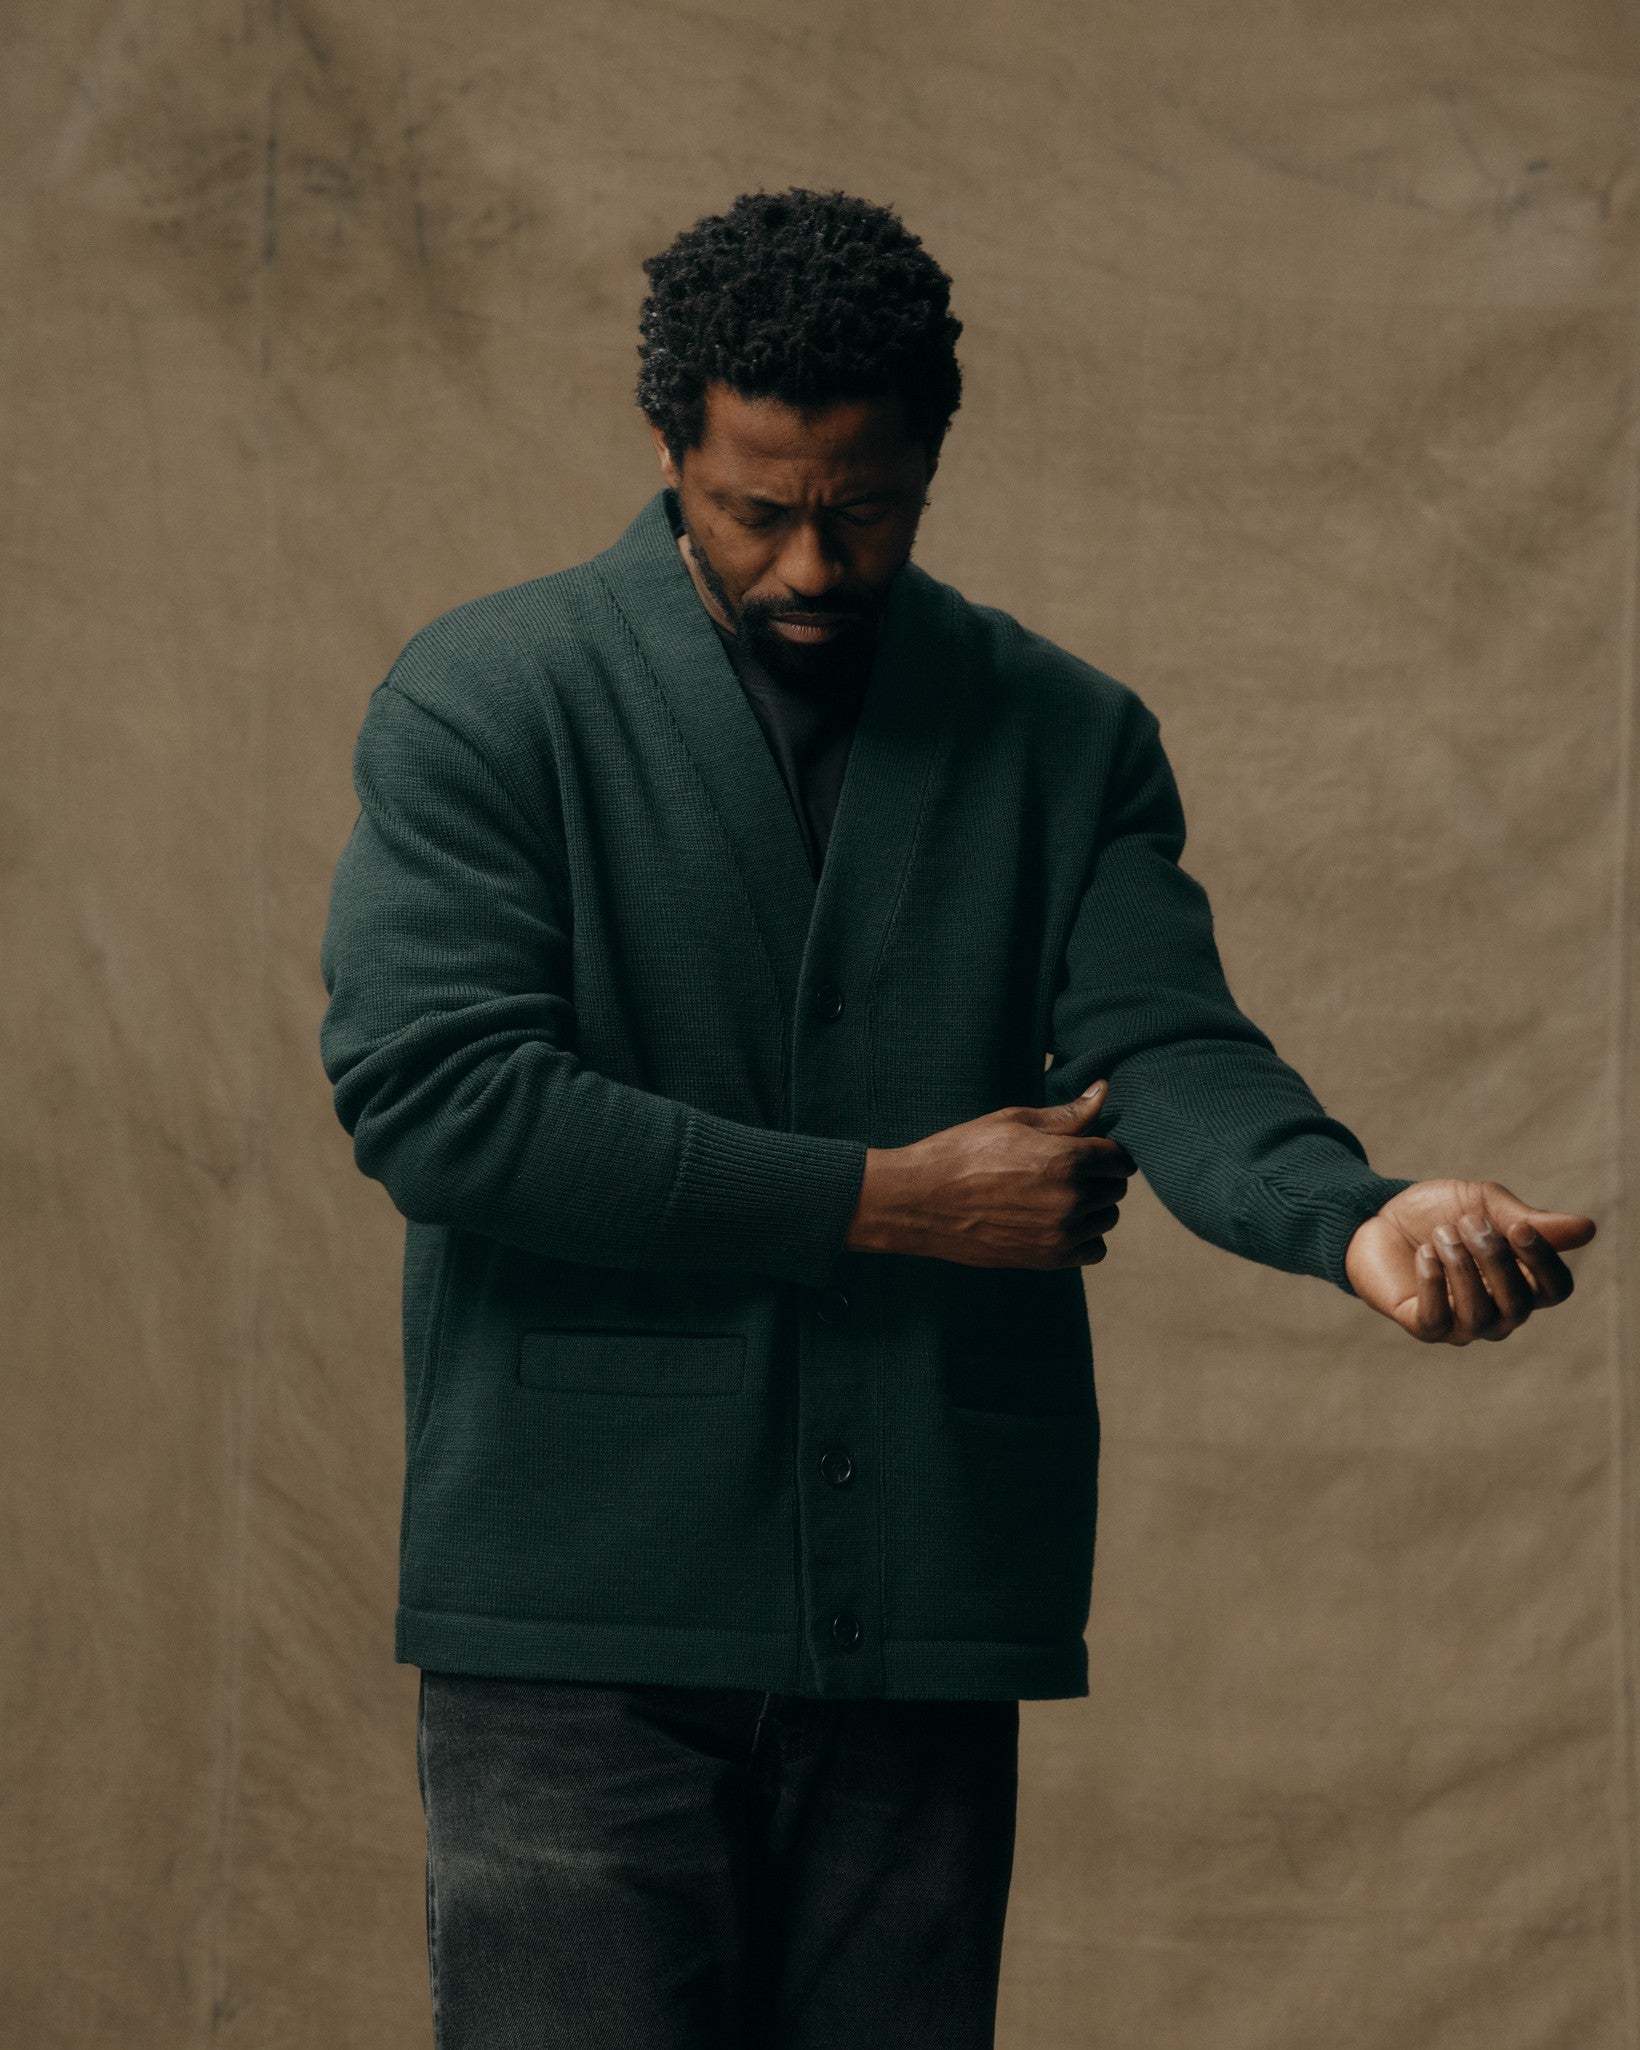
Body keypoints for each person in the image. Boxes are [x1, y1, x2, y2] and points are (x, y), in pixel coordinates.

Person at [317, 185, 1597, 2050]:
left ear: (932, 457)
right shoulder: (489, 700)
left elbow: (1168, 1044)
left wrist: (1348, 1213)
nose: (811, 563)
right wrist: (881, 1197)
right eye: (754, 508)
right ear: (667, 445)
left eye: (866, 507)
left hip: (922, 1598)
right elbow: (435, 1097)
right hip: (576, 1617)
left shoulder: (1065, 732)